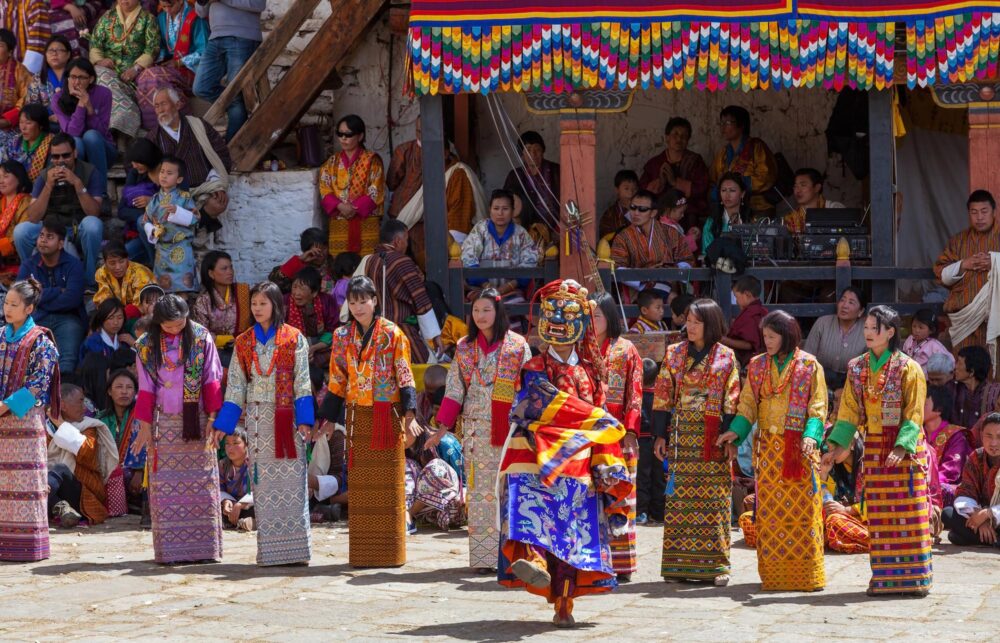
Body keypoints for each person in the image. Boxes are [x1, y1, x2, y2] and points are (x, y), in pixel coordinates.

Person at [497, 279, 631, 628]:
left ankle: (564, 604)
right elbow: (526, 409)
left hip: (577, 465)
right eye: (550, 313)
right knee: (531, 521)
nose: (557, 321)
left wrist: (609, 471)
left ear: (581, 324)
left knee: (571, 540)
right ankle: (534, 566)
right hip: (533, 457)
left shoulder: (591, 374)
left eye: (567, 314)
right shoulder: (532, 369)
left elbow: (599, 423)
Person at [824, 305, 933, 596]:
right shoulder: (857, 367)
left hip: (905, 451)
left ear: (890, 332)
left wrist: (902, 445)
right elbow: (847, 411)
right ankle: (884, 577)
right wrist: (836, 444)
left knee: (909, 513)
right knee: (880, 516)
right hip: (873, 447)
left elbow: (914, 414)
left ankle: (915, 579)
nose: (868, 333)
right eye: (867, 328)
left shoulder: (909, 368)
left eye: (875, 328)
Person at [718, 311, 827, 591]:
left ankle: (806, 575)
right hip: (768, 451)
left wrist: (812, 437)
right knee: (771, 515)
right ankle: (775, 575)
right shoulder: (756, 366)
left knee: (803, 515)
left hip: (799, 452)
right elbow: (748, 406)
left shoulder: (809, 365)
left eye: (772, 336)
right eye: (764, 336)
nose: (766, 341)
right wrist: (736, 431)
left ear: (787, 335)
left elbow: (817, 407)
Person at [317, 275, 419, 568]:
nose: (359, 307)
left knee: (388, 485)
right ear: (347, 304)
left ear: (375, 301)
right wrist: (326, 418)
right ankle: (364, 552)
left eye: (364, 301)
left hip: (387, 416)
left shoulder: (393, 333)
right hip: (356, 416)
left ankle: (390, 552)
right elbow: (337, 378)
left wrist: (410, 414)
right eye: (353, 301)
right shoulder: (341, 336)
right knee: (361, 486)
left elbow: (404, 373)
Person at [214, 281, 314, 566]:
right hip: (258, 422)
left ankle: (296, 551)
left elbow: (303, 381)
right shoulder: (244, 341)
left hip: (288, 420)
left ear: (275, 305)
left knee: (292, 483)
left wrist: (305, 420)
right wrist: (225, 422)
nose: (258, 309)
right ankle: (270, 552)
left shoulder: (295, 338)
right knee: (266, 486)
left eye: (263, 303)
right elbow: (235, 386)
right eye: (254, 304)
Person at [432, 288, 531, 571]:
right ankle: (484, 558)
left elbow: (526, 389)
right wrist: (442, 427)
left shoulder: (517, 345)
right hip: (476, 432)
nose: (480, 316)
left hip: (510, 429)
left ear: (498, 312)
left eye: (486, 310)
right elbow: (454, 388)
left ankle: (513, 557)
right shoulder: (464, 346)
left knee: (510, 490)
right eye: (476, 311)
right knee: (480, 493)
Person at [653, 298, 741, 586]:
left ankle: (717, 566)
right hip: (682, 435)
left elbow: (732, 398)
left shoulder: (726, 356)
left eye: (696, 322)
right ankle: (677, 565)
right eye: (688, 321)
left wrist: (729, 437)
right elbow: (663, 392)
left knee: (714, 500)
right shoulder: (674, 353)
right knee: (679, 500)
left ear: (710, 324)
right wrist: (660, 434)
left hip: (713, 436)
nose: (689, 327)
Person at [132, 294, 225, 564]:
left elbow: (211, 378)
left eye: (179, 323)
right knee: (166, 488)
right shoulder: (146, 344)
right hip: (163, 422)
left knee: (201, 483)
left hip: (195, 418)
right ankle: (171, 550)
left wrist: (212, 418)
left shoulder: (201, 337)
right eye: (169, 325)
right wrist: (145, 426)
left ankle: (205, 549)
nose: (175, 329)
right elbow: (146, 388)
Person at [0, 279, 59, 561]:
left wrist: (5, 406)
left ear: (29, 308)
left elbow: (38, 383)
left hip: (24, 423)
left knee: (25, 483)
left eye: (13, 304)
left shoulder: (41, 341)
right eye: (6, 303)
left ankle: (27, 546)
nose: (7, 308)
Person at [592, 291, 643, 582]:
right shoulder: (581, 349)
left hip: (619, 433)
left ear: (610, 317)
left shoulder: (626, 350)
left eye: (597, 315)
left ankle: (621, 563)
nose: (592, 321)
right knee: (592, 496)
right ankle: (594, 559)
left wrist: (631, 432)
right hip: (589, 434)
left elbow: (634, 394)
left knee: (621, 495)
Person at [16, 133, 105, 286]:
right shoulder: (45, 175)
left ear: (75, 153)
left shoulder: (90, 171)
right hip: (52, 228)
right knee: (21, 231)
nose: (61, 161)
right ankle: (33, 276)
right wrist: (48, 186)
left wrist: (77, 183)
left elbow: (94, 212)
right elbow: (33, 217)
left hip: (78, 228)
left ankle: (89, 280)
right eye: (56, 157)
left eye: (66, 155)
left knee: (93, 225)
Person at [147, 87, 232, 222]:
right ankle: (196, 231)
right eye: (156, 106)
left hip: (204, 189)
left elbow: (221, 154)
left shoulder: (198, 125)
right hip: (173, 195)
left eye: (164, 104)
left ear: (178, 104)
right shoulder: (153, 137)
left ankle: (195, 227)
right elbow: (146, 169)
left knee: (218, 203)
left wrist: (216, 185)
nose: (160, 110)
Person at [363, 220, 442, 363]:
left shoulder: (370, 261)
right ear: (397, 241)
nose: (407, 244)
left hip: (378, 331)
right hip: (401, 330)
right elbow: (420, 299)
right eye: (406, 240)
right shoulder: (401, 261)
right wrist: (434, 335)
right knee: (428, 368)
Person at [16, 216, 86, 371]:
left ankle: (64, 393)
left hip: (68, 318)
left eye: (49, 237)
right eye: (41, 235)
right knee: (29, 362)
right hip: (37, 317)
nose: (43, 240)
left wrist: (40, 294)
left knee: (66, 363)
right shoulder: (29, 265)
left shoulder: (73, 265)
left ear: (61, 244)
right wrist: (56, 291)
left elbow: (72, 299)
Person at [935, 190, 1000, 354]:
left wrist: (995, 261)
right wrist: (964, 264)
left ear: (994, 211)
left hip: (996, 317)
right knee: (967, 369)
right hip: (964, 318)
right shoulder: (958, 241)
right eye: (974, 212)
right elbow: (941, 272)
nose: (979, 217)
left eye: (984, 211)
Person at [46, 382, 119, 527]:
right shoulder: (45, 428)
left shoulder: (89, 426)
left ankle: (38, 498)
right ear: (63, 405)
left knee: (60, 469)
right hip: (53, 492)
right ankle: (60, 507)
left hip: (83, 494)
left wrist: (61, 425)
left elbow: (88, 454)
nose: (85, 407)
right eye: (80, 402)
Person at [192, 0, 265, 140]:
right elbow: (201, 13)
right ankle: (237, 108)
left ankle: (232, 145)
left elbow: (258, 4)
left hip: (242, 37)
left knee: (235, 91)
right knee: (201, 87)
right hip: (215, 37)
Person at [88, 0, 160, 137]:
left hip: (135, 75)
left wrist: (136, 69)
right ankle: (127, 115)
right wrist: (100, 60)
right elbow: (95, 44)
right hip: (108, 72)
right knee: (98, 74)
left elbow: (152, 49)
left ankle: (123, 124)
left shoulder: (148, 19)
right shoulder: (107, 17)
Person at [135, 0, 208, 131]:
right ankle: (155, 130)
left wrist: (180, 62)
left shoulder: (194, 16)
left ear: (180, 1)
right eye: (164, 6)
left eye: (171, 5)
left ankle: (182, 126)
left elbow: (205, 52)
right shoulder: (162, 17)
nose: (167, 10)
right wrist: (158, 60)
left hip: (194, 70)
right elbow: (162, 47)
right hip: (171, 67)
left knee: (154, 76)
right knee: (145, 76)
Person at [320, 115, 385, 256]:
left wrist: (353, 208)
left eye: (348, 134)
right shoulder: (331, 162)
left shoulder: (372, 161)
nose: (343, 138)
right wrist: (340, 206)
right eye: (340, 134)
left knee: (367, 264)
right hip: (340, 224)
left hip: (365, 222)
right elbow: (324, 189)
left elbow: (376, 189)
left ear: (360, 136)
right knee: (340, 264)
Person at [461, 189, 540, 302]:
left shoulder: (521, 233)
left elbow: (530, 262)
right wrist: (487, 285)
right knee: (482, 306)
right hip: (481, 289)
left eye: (505, 209)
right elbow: (468, 258)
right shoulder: (480, 229)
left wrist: (506, 287)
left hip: (512, 290)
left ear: (512, 211)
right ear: (490, 210)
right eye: (496, 208)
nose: (500, 213)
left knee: (515, 305)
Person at [52, 58, 117, 197]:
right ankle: (76, 195)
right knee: (76, 142)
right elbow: (71, 133)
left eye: (82, 78)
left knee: (91, 136)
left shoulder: (104, 94)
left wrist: (90, 109)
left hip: (103, 151)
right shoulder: (58, 98)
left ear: (91, 79)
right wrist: (81, 105)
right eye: (73, 77)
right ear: (67, 78)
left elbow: (102, 132)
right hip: (76, 151)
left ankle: (101, 195)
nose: (76, 82)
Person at [142, 155, 199, 293]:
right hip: (162, 249)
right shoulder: (154, 199)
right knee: (163, 290)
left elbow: (195, 217)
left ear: (179, 179)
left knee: (182, 289)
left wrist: (177, 212)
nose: (164, 176)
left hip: (181, 247)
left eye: (169, 173)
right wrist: (152, 230)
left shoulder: (184, 197)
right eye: (162, 172)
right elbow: (146, 221)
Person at [610, 189, 694, 283]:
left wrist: (672, 270)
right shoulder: (622, 237)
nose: (636, 213)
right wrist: (645, 274)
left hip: (668, 286)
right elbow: (616, 267)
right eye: (633, 207)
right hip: (637, 291)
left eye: (642, 209)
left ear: (653, 213)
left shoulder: (671, 233)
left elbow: (687, 259)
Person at [640, 117, 710, 228]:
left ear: (688, 140)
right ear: (667, 137)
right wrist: (660, 183)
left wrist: (675, 182)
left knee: (689, 243)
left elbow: (702, 188)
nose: (679, 139)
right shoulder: (654, 163)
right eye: (675, 134)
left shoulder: (695, 161)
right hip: (660, 220)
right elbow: (643, 194)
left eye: (684, 136)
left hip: (688, 218)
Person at [709, 105, 778, 217]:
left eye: (728, 123)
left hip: (757, 208)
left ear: (741, 125)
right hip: (730, 209)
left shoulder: (756, 147)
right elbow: (714, 179)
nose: (723, 127)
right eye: (721, 123)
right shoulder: (723, 153)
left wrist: (739, 184)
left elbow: (766, 177)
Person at [942, 412, 1000, 546]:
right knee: (948, 514)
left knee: (956, 535)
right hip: (979, 517)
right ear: (981, 436)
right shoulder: (976, 457)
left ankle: (978, 538)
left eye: (999, 437)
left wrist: (988, 514)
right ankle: (991, 539)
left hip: (996, 516)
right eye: (989, 436)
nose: (994, 443)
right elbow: (965, 493)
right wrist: (980, 520)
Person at [97, 368, 146, 513]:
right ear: (109, 392)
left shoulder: (142, 418)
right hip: (108, 471)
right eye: (119, 387)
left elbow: (146, 446)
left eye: (129, 387)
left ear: (135, 392)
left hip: (135, 471)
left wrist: (138, 471)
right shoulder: (100, 419)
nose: (124, 391)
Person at [191, 250, 252, 355]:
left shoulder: (242, 292)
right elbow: (200, 334)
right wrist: (225, 340)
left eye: (231, 267)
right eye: (224, 269)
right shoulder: (203, 301)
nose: (230, 272)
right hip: (214, 351)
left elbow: (253, 323)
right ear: (211, 273)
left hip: (243, 347)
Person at [803, 287, 868, 385]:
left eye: (851, 302)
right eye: (842, 300)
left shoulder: (867, 330)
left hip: (853, 384)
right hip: (819, 381)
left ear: (861, 311)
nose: (845, 305)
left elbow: (868, 369)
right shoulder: (822, 323)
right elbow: (807, 358)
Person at [405, 429, 465, 533]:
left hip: (450, 506)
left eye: (404, 429)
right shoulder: (402, 448)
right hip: (426, 514)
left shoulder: (445, 443)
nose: (400, 435)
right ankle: (405, 517)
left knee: (435, 467)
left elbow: (465, 481)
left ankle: (409, 514)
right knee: (404, 464)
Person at [503, 131, 560, 239]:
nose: (533, 154)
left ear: (543, 151)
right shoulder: (514, 176)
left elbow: (568, 200)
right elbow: (505, 203)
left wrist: (559, 227)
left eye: (537, 149)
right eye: (528, 150)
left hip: (554, 231)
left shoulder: (556, 171)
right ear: (522, 154)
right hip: (523, 232)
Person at [284, 266, 339, 376]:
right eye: (294, 287)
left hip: (319, 346)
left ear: (314, 293)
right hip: (292, 347)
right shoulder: (284, 301)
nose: (296, 293)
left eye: (302, 289)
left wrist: (313, 348)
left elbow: (332, 330)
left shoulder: (327, 301)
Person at [924, 384, 972, 508]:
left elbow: (950, 473)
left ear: (938, 409)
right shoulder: (918, 432)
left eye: (923, 404)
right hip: (923, 486)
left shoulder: (956, 435)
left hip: (942, 488)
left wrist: (925, 484)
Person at [118, 138, 162, 251]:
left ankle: (157, 265)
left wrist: (152, 202)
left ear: (148, 158)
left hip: (167, 228)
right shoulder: (135, 174)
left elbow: (178, 201)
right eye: (132, 162)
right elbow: (122, 210)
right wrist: (144, 214)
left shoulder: (167, 171)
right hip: (142, 233)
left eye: (137, 162)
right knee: (124, 254)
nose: (134, 166)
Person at [634, 357, 663, 524]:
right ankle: (658, 512)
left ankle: (642, 512)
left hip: (642, 441)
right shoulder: (660, 396)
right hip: (658, 441)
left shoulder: (637, 396)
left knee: (642, 477)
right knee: (658, 476)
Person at [268, 227, 337, 295]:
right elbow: (275, 286)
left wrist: (328, 286)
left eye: (324, 248)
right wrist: (299, 260)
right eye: (317, 251)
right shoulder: (298, 266)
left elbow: (339, 285)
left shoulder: (334, 265)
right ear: (307, 251)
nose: (321, 254)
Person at [953, 345, 1000, 444]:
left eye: (959, 363)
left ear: (972, 372)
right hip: (958, 449)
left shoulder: (995, 393)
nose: (955, 367)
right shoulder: (954, 389)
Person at [93, 241, 154, 314]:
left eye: (121, 261)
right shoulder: (102, 273)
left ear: (127, 259)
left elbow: (140, 306)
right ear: (105, 263)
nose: (118, 267)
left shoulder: (140, 273)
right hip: (119, 313)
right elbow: (104, 300)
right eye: (112, 263)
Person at [722, 275, 768, 368]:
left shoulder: (751, 314)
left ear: (747, 294)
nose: (737, 302)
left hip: (749, 361)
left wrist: (724, 340)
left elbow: (750, 345)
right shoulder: (761, 310)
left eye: (737, 297)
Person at [2, 103, 53, 182]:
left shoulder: (51, 144)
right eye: (21, 122)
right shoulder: (15, 142)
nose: (23, 127)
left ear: (41, 125)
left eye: (28, 123)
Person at [783, 168, 844, 234]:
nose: (798, 190)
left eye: (803, 185)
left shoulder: (834, 209)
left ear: (817, 188)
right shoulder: (790, 219)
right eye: (795, 186)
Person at [702, 172, 751, 255]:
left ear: (742, 194)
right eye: (723, 190)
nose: (727, 195)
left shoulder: (750, 220)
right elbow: (706, 254)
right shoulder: (711, 223)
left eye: (732, 190)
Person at [0, 159, 31, 279]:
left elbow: (20, 236)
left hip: (15, 259)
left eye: (6, 176)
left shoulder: (26, 201)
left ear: (19, 179)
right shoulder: (1, 201)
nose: (1, 181)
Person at [219, 429, 254, 531]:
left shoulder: (255, 464)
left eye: (236, 443)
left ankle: (251, 522)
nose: (230, 448)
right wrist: (226, 501)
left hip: (250, 506)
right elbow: (219, 489)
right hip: (232, 505)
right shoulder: (222, 465)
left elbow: (260, 491)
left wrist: (240, 504)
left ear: (246, 445)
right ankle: (242, 522)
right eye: (227, 444)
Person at [78, 297, 132, 364]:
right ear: (102, 319)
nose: (116, 322)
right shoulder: (92, 342)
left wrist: (135, 344)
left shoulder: (125, 341)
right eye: (111, 318)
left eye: (120, 318)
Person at [25, 35, 71, 110]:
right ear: (45, 55)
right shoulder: (37, 78)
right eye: (50, 50)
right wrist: (48, 118)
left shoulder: (76, 75)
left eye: (59, 50)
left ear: (68, 54)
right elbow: (31, 108)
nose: (54, 54)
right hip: (46, 120)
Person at [902, 309, 950, 375]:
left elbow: (950, 361)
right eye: (914, 326)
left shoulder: (934, 345)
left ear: (931, 330)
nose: (916, 330)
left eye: (921, 327)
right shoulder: (910, 339)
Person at [0, 29, 31, 130]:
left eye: (0, 46)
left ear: (10, 52)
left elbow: (27, 98)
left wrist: (8, 120)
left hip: (11, 126)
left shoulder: (21, 71)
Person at [599, 170, 638, 238]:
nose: (631, 192)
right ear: (617, 190)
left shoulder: (642, 210)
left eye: (634, 189)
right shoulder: (609, 215)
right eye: (626, 188)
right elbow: (605, 240)